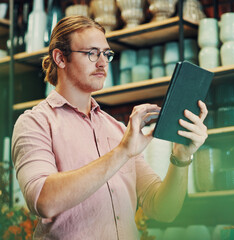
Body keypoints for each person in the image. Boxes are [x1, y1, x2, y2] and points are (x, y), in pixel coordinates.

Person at [12, 15, 208, 240]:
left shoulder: (117, 129)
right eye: (91, 53)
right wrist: (122, 152)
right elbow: (43, 201)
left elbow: (163, 210)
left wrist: (181, 157)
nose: (102, 62)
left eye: (106, 54)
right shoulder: (35, 123)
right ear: (60, 58)